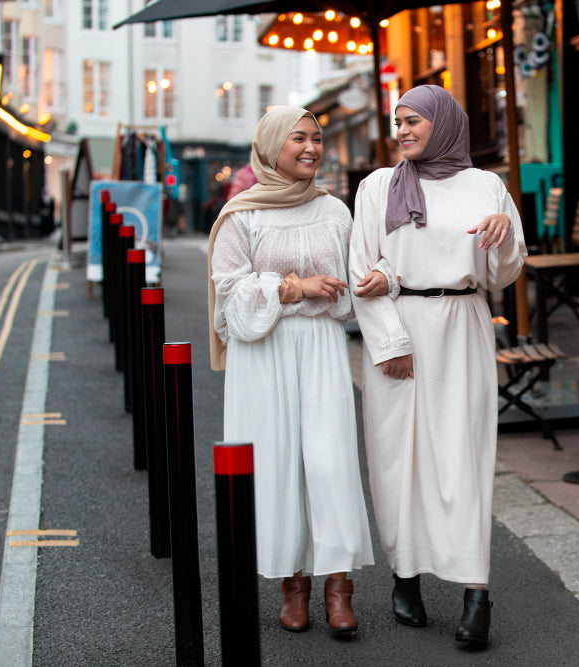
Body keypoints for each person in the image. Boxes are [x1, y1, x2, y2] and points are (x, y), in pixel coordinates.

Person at [348, 84, 527, 648]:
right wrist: (389, 343)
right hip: (400, 330)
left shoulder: (487, 186)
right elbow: (363, 269)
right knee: (397, 458)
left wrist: (500, 241)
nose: (401, 130)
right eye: (397, 121)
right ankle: (406, 575)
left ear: (443, 123)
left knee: (463, 457)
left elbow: (504, 273)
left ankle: (476, 591)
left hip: (463, 325)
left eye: (413, 121)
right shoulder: (379, 186)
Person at [207, 106, 374, 638]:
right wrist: (292, 287)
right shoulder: (241, 214)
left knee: (329, 463)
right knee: (276, 463)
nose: (311, 148)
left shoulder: (335, 211)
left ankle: (338, 587)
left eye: (318, 139)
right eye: (299, 138)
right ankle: (293, 584)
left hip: (321, 347)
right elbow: (228, 295)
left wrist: (375, 279)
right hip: (263, 352)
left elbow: (355, 282)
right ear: (271, 144)